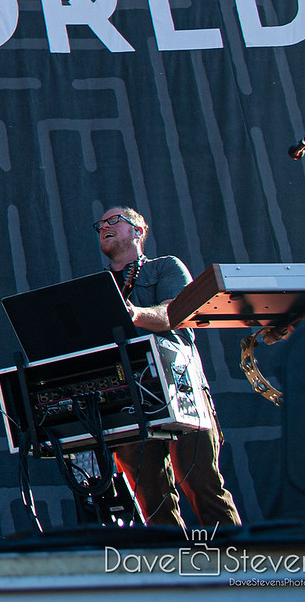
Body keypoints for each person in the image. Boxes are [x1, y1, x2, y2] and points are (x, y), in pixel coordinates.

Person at [95, 205, 241, 529]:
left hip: (179, 387)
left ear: (138, 230)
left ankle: (236, 558)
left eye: (113, 220)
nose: (104, 226)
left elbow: (175, 313)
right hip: (128, 397)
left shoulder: (165, 267)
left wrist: (134, 314)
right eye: (100, 224)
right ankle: (172, 562)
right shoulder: (98, 285)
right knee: (151, 497)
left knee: (200, 482)